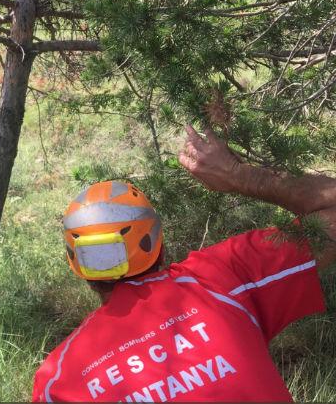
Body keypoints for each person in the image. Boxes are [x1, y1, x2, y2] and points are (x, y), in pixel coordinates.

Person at [32, 125, 336, 403]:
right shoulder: (225, 275)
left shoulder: (59, 380)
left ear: (79, 267)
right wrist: (238, 175)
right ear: (159, 246)